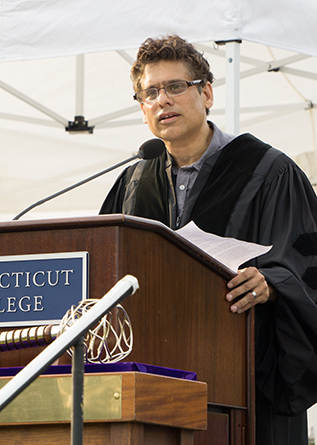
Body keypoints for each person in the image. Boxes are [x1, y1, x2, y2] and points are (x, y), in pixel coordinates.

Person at [100, 35, 317, 444]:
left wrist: (271, 284)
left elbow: (307, 263)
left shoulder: (269, 171)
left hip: (249, 388)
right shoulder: (132, 182)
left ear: (207, 93)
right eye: (150, 92)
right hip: (152, 390)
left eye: (175, 87)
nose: (162, 100)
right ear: (143, 109)